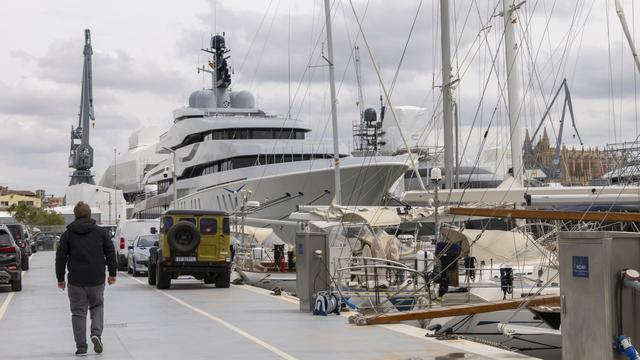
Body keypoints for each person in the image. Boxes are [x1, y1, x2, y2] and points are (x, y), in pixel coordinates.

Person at [56, 202, 117, 356]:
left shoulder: (68, 234)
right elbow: (110, 252)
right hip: (97, 279)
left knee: (78, 313)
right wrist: (112, 273)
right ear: (89, 215)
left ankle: (81, 347)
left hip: (76, 281)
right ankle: (96, 334)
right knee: (97, 306)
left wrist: (60, 278)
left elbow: (60, 257)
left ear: (75, 215)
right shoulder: (100, 232)